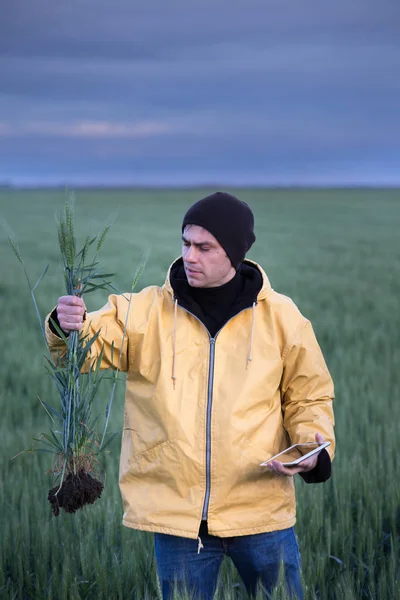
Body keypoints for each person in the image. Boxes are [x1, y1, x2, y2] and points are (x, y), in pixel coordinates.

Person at [46, 192, 335, 600]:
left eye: (204, 247)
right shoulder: (145, 312)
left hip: (261, 512)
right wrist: (65, 324)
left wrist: (314, 451)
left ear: (233, 253)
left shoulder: (283, 318)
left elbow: (309, 396)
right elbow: (85, 347)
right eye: (185, 243)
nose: (190, 256)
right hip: (178, 519)